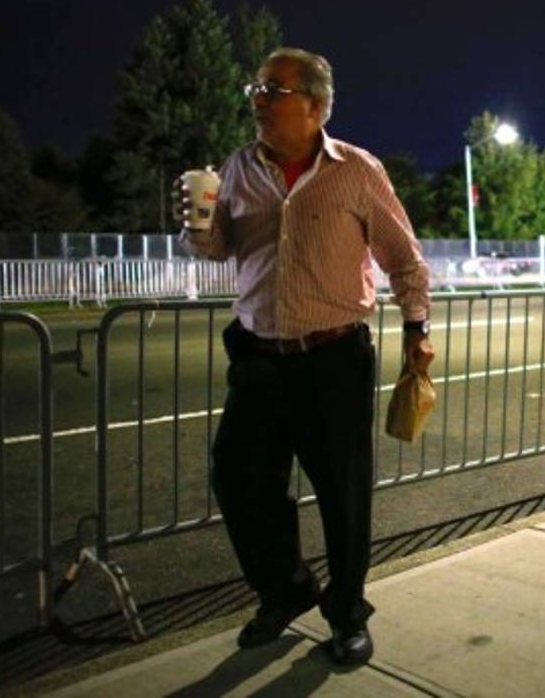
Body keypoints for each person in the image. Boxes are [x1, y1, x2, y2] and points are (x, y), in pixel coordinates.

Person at [181, 47, 433, 667]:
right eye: (256, 90)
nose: (258, 101)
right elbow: (220, 252)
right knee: (240, 482)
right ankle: (286, 591)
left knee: (343, 496)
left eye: (274, 90)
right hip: (258, 357)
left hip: (333, 358)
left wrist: (416, 329)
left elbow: (405, 258)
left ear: (315, 105)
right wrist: (199, 224)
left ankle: (347, 613)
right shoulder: (238, 169)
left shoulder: (356, 169)